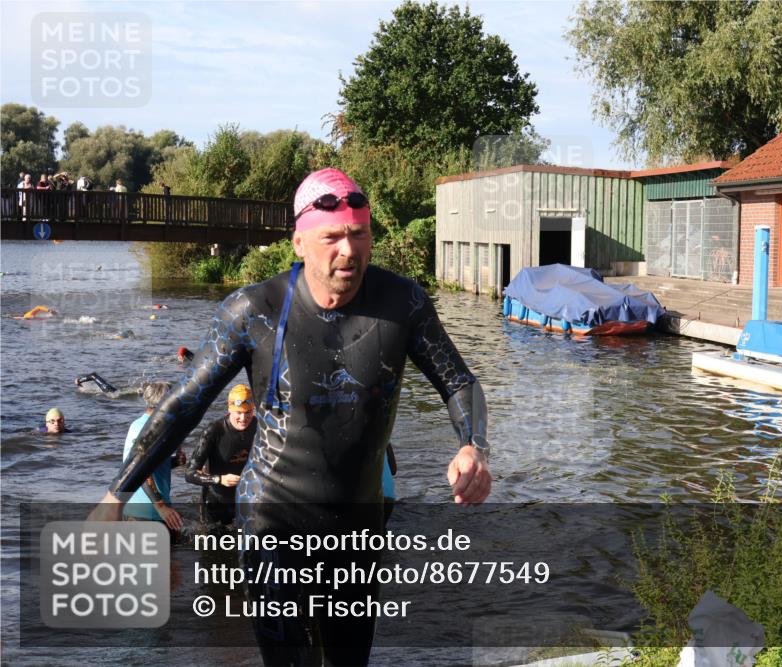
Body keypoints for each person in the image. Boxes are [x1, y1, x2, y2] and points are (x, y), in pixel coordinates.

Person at [90, 167, 491, 666]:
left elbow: (459, 381)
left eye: (359, 234)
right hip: (271, 519)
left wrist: (474, 446)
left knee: (349, 659)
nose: (349, 250)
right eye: (332, 238)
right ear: (300, 241)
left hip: (357, 522)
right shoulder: (253, 309)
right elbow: (183, 404)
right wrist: (116, 495)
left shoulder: (403, 302)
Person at [185, 384, 257, 529]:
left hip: (246, 499)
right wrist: (219, 479)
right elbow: (189, 473)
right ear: (229, 409)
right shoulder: (214, 431)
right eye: (238, 412)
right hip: (216, 502)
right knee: (214, 548)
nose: (243, 418)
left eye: (248, 412)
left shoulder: (258, 426)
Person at [122, 382, 185, 532]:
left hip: (134, 509)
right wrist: (161, 506)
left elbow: (150, 464)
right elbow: (138, 470)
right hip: (148, 513)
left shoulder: (138, 423)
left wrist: (174, 462)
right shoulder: (150, 429)